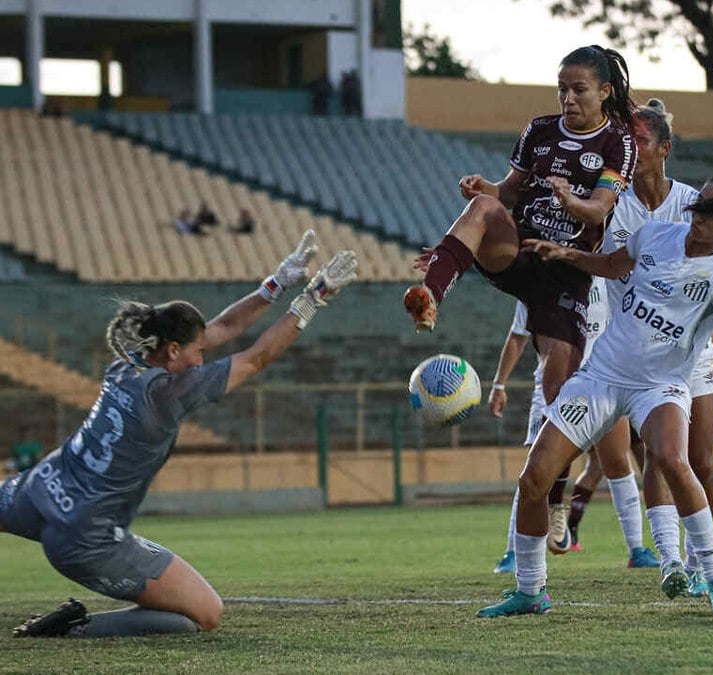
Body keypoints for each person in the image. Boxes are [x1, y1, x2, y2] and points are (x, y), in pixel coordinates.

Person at [476, 154, 713, 618]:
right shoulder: (655, 235)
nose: (698, 217)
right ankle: (530, 590)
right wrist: (568, 254)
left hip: (661, 385)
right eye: (698, 206)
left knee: (671, 459)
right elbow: (612, 265)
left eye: (710, 213)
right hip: (603, 375)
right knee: (534, 477)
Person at [1, 231, 358, 638]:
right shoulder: (169, 393)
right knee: (205, 613)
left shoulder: (129, 361)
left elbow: (221, 327)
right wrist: (312, 300)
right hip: (84, 536)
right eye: (196, 352)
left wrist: (273, 285)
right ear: (172, 351)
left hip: (40, 489)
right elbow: (256, 358)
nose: (201, 357)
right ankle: (72, 628)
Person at [403, 45, 637, 525]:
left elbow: (598, 210)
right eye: (562, 88)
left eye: (579, 90)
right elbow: (508, 192)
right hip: (519, 251)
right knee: (485, 212)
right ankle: (431, 294)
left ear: (605, 91)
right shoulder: (539, 130)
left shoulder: (618, 143)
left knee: (559, 387)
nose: (567, 99)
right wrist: (484, 189)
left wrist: (570, 199)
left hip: (567, 269)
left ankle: (553, 494)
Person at [596, 98, 713, 596]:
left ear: (664, 149)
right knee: (658, 454)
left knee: (702, 462)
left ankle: (699, 560)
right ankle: (671, 559)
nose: (631, 150)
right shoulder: (611, 203)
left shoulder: (693, 204)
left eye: (640, 142)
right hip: (640, 354)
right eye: (625, 142)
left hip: (692, 352)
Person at [489, 281, 659, 572]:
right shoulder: (541, 280)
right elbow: (518, 336)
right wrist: (498, 384)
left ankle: (638, 549)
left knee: (617, 461)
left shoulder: (607, 279)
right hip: (554, 382)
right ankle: (513, 552)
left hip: (603, 379)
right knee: (537, 466)